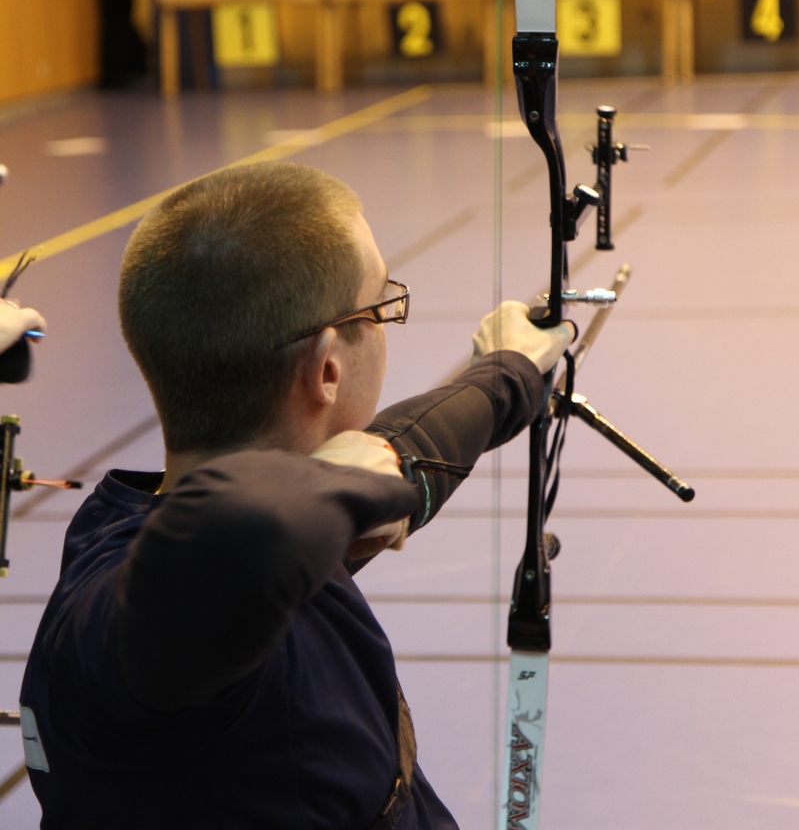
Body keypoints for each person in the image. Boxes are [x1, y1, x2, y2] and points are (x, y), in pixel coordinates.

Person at [20, 162, 570, 829]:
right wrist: (364, 473)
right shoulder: (138, 626)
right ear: (327, 366)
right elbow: (258, 524)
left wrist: (504, 374)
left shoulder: (128, 527)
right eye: (381, 307)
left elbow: (365, 471)